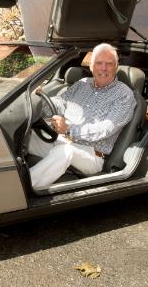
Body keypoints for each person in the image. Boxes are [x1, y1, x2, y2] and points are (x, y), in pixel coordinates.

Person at [28, 43, 136, 189]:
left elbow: (106, 129)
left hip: (92, 155)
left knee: (65, 151)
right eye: (99, 63)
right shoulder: (82, 84)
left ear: (116, 67)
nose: (103, 68)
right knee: (25, 136)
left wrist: (69, 129)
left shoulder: (124, 95)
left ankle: (22, 190)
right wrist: (38, 100)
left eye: (109, 64)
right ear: (91, 66)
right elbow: (60, 104)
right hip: (61, 140)